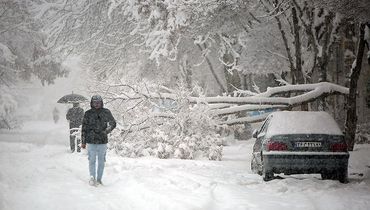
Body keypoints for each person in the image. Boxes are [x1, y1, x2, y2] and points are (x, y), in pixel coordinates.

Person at [81, 95, 116, 186]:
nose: (96, 104)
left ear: (101, 102)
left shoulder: (106, 112)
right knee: (92, 160)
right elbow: (84, 128)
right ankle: (92, 177)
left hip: (102, 141)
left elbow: (113, 123)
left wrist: (107, 130)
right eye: (95, 102)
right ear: (92, 103)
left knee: (101, 161)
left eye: (98, 102)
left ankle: (99, 179)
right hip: (91, 140)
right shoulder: (87, 113)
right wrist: (83, 141)